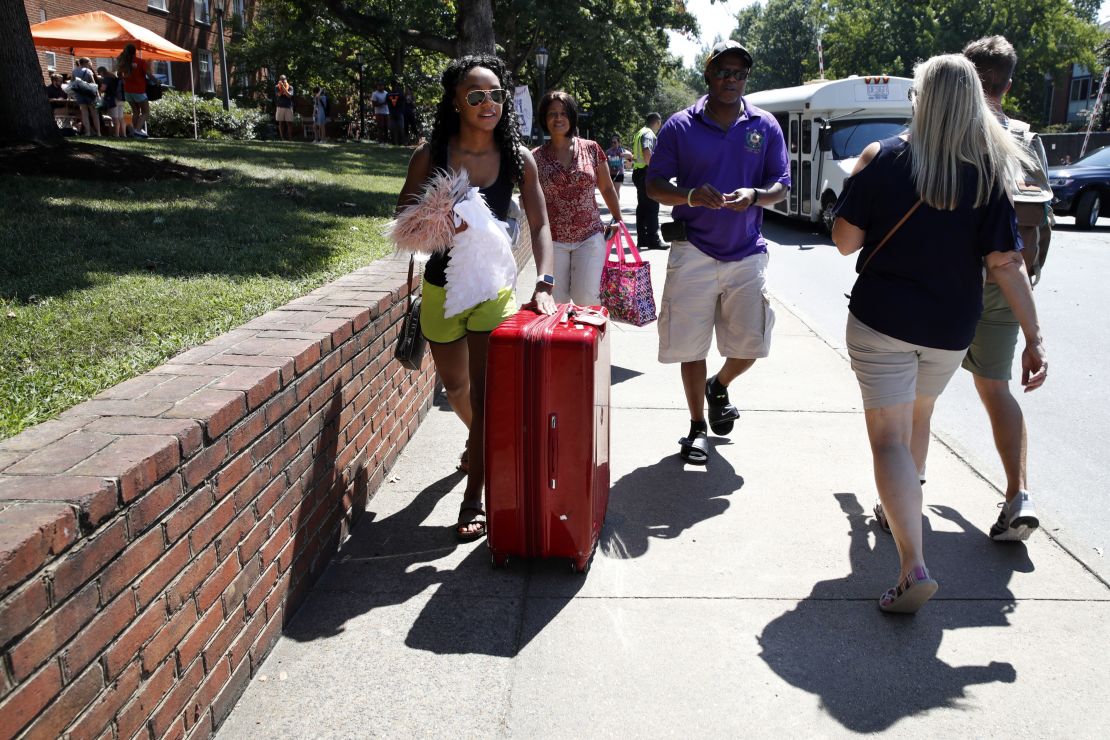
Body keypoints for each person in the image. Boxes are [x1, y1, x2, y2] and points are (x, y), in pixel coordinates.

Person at [831, 54, 1047, 614]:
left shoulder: (884, 157)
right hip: (952, 328)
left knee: (888, 439)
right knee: (917, 417)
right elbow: (1007, 263)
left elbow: (845, 241)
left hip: (883, 321)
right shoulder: (988, 171)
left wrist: (860, 185)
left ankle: (913, 567)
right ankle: (901, 507)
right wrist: (1035, 336)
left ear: (922, 100)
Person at [394, 55, 556, 541]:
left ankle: (473, 498)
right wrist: (439, 209)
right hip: (442, 289)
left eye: (497, 96)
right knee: (457, 390)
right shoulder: (432, 155)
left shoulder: (517, 157)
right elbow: (403, 215)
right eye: (477, 96)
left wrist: (544, 282)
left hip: (492, 290)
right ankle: (475, 439)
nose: (490, 105)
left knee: (487, 399)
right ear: (456, 102)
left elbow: (540, 223)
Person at [645, 39, 789, 467]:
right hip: (694, 249)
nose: (731, 80)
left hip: (746, 252)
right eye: (723, 71)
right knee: (691, 346)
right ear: (707, 74)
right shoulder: (679, 126)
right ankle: (695, 427)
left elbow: (781, 186)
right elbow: (654, 184)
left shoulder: (764, 125)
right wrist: (689, 194)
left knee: (753, 344)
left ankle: (719, 386)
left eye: (739, 73)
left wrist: (756, 195)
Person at [960, 36, 1054, 542]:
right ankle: (1019, 494)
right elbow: (1041, 222)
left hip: (947, 284)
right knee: (996, 389)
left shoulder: (951, 133)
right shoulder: (1024, 137)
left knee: (916, 394)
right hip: (1007, 284)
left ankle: (899, 501)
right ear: (1009, 84)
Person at [532, 91, 624, 306]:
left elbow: (607, 188)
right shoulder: (534, 157)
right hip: (553, 240)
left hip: (589, 236)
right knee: (557, 303)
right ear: (544, 119)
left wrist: (617, 218)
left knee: (588, 300)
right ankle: (562, 341)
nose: (558, 118)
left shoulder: (591, 149)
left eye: (563, 113)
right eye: (552, 114)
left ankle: (592, 340)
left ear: (572, 117)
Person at [632, 112, 666, 249]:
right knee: (652, 207)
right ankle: (653, 240)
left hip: (639, 172)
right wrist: (654, 171)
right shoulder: (648, 134)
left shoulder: (639, 132)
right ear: (657, 122)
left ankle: (643, 239)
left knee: (642, 208)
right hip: (646, 173)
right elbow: (647, 151)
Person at [117, 44, 149, 138]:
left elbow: (119, 74)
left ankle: (135, 132)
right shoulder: (141, 61)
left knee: (135, 111)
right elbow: (148, 74)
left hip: (127, 91)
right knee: (146, 112)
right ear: (135, 52)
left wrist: (124, 80)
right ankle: (138, 130)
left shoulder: (124, 63)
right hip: (139, 90)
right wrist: (157, 81)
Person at [72, 58, 101, 137]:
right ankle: (98, 133)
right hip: (90, 95)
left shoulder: (74, 71)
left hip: (80, 95)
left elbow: (72, 83)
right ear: (87, 63)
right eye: (90, 62)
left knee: (84, 114)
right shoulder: (88, 71)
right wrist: (98, 95)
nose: (91, 64)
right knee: (94, 114)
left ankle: (88, 132)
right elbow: (94, 84)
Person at [99, 68, 125, 138]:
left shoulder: (107, 78)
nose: (100, 75)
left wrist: (99, 91)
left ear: (102, 72)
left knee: (115, 118)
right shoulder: (115, 78)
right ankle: (124, 134)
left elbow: (103, 89)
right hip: (121, 99)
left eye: (99, 73)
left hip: (113, 99)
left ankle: (116, 135)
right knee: (121, 118)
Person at [605, 134, 633, 199]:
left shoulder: (622, 150)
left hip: (619, 174)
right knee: (611, 191)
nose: (613, 144)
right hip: (610, 174)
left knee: (616, 190)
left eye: (614, 142)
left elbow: (630, 155)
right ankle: (612, 206)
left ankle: (616, 207)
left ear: (619, 143)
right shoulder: (609, 151)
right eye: (612, 142)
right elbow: (604, 160)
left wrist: (622, 155)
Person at [274, 75, 294, 141]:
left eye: (284, 79)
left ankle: (290, 138)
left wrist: (283, 87)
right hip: (280, 106)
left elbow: (289, 96)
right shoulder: (277, 87)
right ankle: (282, 138)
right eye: (281, 79)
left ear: (286, 79)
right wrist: (282, 87)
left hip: (288, 107)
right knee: (281, 123)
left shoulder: (290, 87)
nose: (283, 80)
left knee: (289, 123)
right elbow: (279, 94)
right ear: (279, 80)